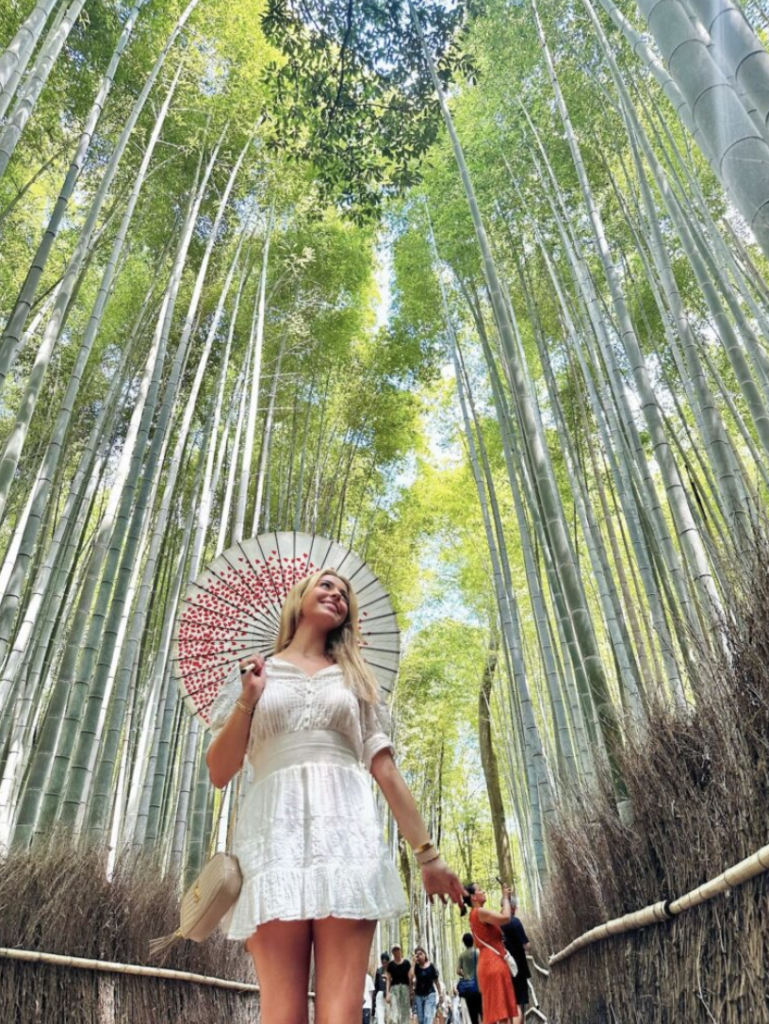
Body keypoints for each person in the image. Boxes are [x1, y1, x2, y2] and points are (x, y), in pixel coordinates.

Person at [206, 569, 465, 1024]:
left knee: (341, 1015)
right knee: (282, 1012)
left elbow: (384, 769)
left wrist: (428, 856)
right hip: (275, 842)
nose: (336, 594)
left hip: (346, 841)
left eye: (344, 594)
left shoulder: (355, 679)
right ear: (299, 598)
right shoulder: (258, 672)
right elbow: (219, 771)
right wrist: (249, 697)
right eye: (326, 585)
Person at [462, 882, 520, 1024]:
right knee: (502, 1012)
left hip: (487, 962)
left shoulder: (473, 915)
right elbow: (506, 918)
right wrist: (505, 898)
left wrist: (506, 898)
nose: (484, 891)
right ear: (473, 897)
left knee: (496, 1011)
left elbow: (498, 919)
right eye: (480, 889)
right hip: (493, 963)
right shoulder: (480, 912)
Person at [501, 896, 531, 1016]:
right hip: (517, 968)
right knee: (519, 1003)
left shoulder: (495, 923)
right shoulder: (514, 922)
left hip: (502, 968)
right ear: (512, 907)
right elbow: (526, 945)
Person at [410, 946, 441, 1024]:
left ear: (425, 954)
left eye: (421, 954)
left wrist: (440, 994)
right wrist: (413, 963)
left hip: (430, 994)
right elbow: (411, 976)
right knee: (421, 1020)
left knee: (428, 1017)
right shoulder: (416, 967)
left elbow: (436, 981)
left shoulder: (431, 966)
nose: (419, 956)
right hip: (418, 995)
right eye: (417, 955)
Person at [456, 932, 482, 1024]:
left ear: (464, 943)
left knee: (473, 1016)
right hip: (480, 988)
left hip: (468, 990)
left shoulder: (462, 956)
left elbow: (458, 971)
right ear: (473, 941)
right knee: (483, 1014)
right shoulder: (478, 952)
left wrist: (465, 975)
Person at [386, 943, 412, 1024]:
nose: (396, 951)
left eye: (397, 949)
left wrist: (410, 990)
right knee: (394, 1012)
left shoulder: (407, 963)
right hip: (394, 989)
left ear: (401, 951)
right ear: (392, 952)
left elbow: (410, 977)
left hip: (405, 988)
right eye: (394, 950)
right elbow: (388, 979)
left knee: (405, 1012)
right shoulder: (390, 965)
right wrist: (387, 993)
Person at [374, 951, 390, 1024]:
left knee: (389, 1016)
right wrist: (374, 999)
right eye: (383, 962)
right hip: (380, 995)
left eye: (386, 962)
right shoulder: (378, 971)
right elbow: (376, 985)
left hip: (389, 995)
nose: (384, 964)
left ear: (388, 962)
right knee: (380, 1016)